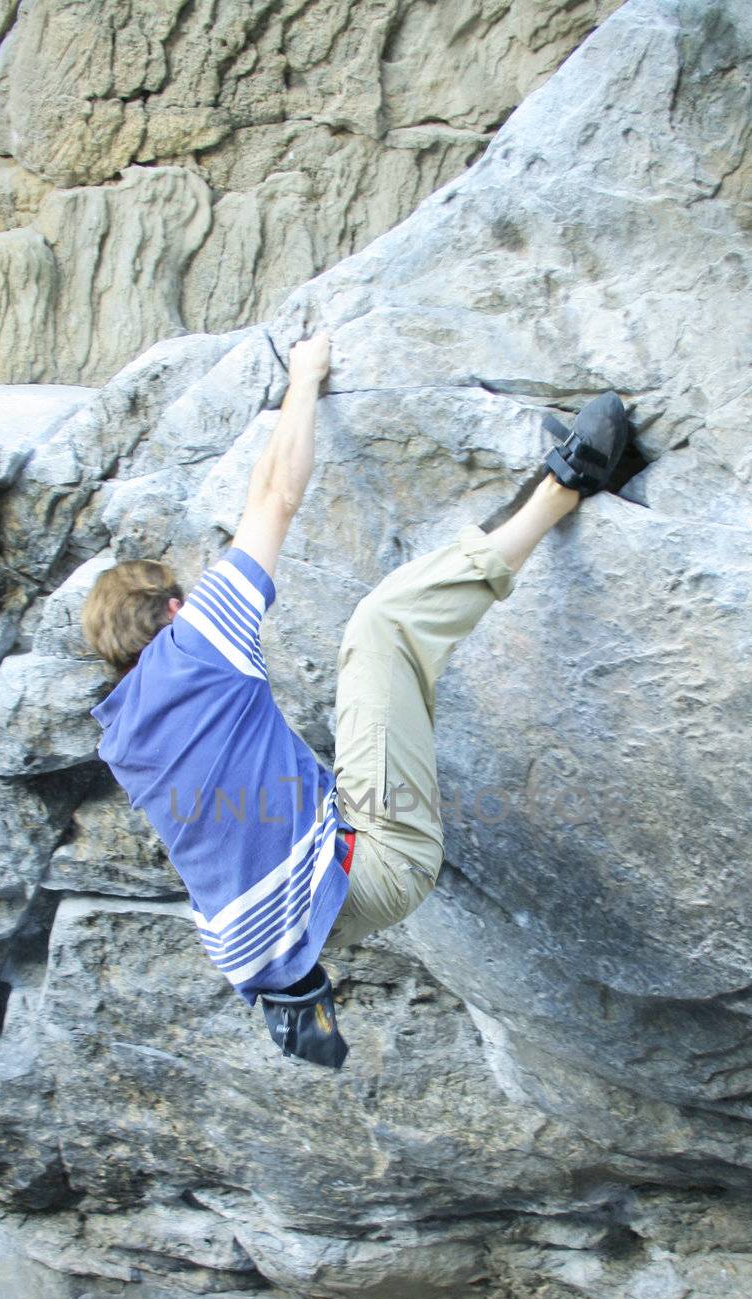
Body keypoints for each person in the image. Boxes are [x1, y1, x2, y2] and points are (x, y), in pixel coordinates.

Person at [82, 330, 628, 1068]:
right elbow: (275, 495)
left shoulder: (119, 734)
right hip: (378, 860)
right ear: (175, 610)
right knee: (382, 627)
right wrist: (303, 378)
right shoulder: (199, 642)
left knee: (318, 748)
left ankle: (297, 982)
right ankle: (564, 488)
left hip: (285, 936)